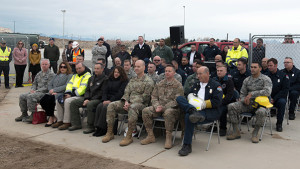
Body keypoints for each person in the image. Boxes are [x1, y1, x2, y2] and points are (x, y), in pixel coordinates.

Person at [102, 60, 154, 146]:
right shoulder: (132, 80)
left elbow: (145, 97)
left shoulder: (149, 81)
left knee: (133, 107)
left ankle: (129, 136)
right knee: (112, 105)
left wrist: (130, 104)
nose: (136, 68)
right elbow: (126, 92)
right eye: (135, 66)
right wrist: (126, 101)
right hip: (128, 103)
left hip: (141, 105)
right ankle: (110, 132)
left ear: (144, 68)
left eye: (138, 66)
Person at [176, 66, 223, 156]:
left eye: (200, 73)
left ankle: (187, 145)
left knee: (189, 117)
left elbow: (217, 101)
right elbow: (189, 94)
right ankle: (191, 110)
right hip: (194, 108)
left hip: (207, 111)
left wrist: (202, 104)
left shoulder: (216, 85)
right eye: (197, 74)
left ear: (207, 74)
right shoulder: (196, 84)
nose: (198, 76)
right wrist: (192, 104)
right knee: (179, 98)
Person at [227, 62, 272, 143]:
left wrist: (252, 94)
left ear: (260, 69)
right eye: (251, 67)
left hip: (260, 104)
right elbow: (242, 93)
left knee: (261, 112)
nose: (252, 69)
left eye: (255, 67)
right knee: (231, 106)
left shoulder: (266, 79)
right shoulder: (247, 80)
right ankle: (235, 131)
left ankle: (255, 133)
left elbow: (267, 91)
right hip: (248, 104)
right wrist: (244, 100)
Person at [141, 64, 184, 149]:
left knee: (168, 113)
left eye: (169, 71)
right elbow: (154, 96)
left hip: (172, 109)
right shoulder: (160, 83)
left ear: (174, 73)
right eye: (166, 71)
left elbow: (177, 100)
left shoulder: (178, 85)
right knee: (146, 111)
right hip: (158, 107)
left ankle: (168, 138)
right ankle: (150, 135)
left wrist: (163, 108)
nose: (167, 73)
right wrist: (157, 106)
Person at [69, 63, 107, 133]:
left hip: (98, 99)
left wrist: (89, 100)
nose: (96, 70)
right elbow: (87, 90)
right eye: (95, 68)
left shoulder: (105, 79)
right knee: (74, 103)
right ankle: (76, 124)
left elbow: (101, 93)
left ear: (102, 69)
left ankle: (90, 126)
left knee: (90, 104)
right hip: (89, 98)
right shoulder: (91, 78)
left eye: (98, 69)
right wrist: (86, 98)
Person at [52, 62, 91, 130]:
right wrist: (67, 93)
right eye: (76, 68)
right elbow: (69, 85)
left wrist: (71, 95)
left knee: (67, 101)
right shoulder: (75, 75)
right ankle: (60, 120)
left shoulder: (87, 75)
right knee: (58, 100)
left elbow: (83, 89)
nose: (78, 70)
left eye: (79, 68)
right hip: (72, 95)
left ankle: (67, 122)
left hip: (81, 96)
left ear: (84, 68)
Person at [93, 66, 129, 136]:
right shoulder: (108, 79)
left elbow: (120, 93)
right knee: (99, 106)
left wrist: (110, 100)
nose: (116, 74)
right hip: (107, 99)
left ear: (121, 73)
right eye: (115, 72)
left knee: (105, 107)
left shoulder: (124, 81)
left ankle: (103, 128)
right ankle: (97, 127)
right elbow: (104, 91)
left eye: (118, 72)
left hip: (116, 99)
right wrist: (104, 99)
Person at [39, 62, 73, 127]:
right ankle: (52, 116)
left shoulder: (69, 76)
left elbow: (66, 85)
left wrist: (55, 90)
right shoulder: (56, 75)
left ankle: (51, 119)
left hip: (61, 93)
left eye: (64, 67)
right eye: (61, 67)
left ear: (67, 68)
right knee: (42, 100)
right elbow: (50, 84)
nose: (62, 68)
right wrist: (51, 91)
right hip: (52, 92)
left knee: (50, 100)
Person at [266, 58, 289, 131]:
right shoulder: (266, 75)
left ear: (276, 65)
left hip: (279, 97)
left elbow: (285, 90)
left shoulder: (283, 76)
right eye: (268, 65)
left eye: (271, 65)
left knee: (282, 103)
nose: (269, 67)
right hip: (267, 97)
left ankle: (279, 123)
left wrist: (274, 99)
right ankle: (259, 121)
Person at [213, 64, 235, 136]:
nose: (219, 72)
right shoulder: (214, 80)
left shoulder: (229, 81)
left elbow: (230, 95)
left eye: (221, 71)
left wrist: (221, 102)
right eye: (218, 71)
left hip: (226, 102)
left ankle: (223, 128)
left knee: (222, 109)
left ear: (225, 72)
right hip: (216, 100)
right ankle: (213, 125)